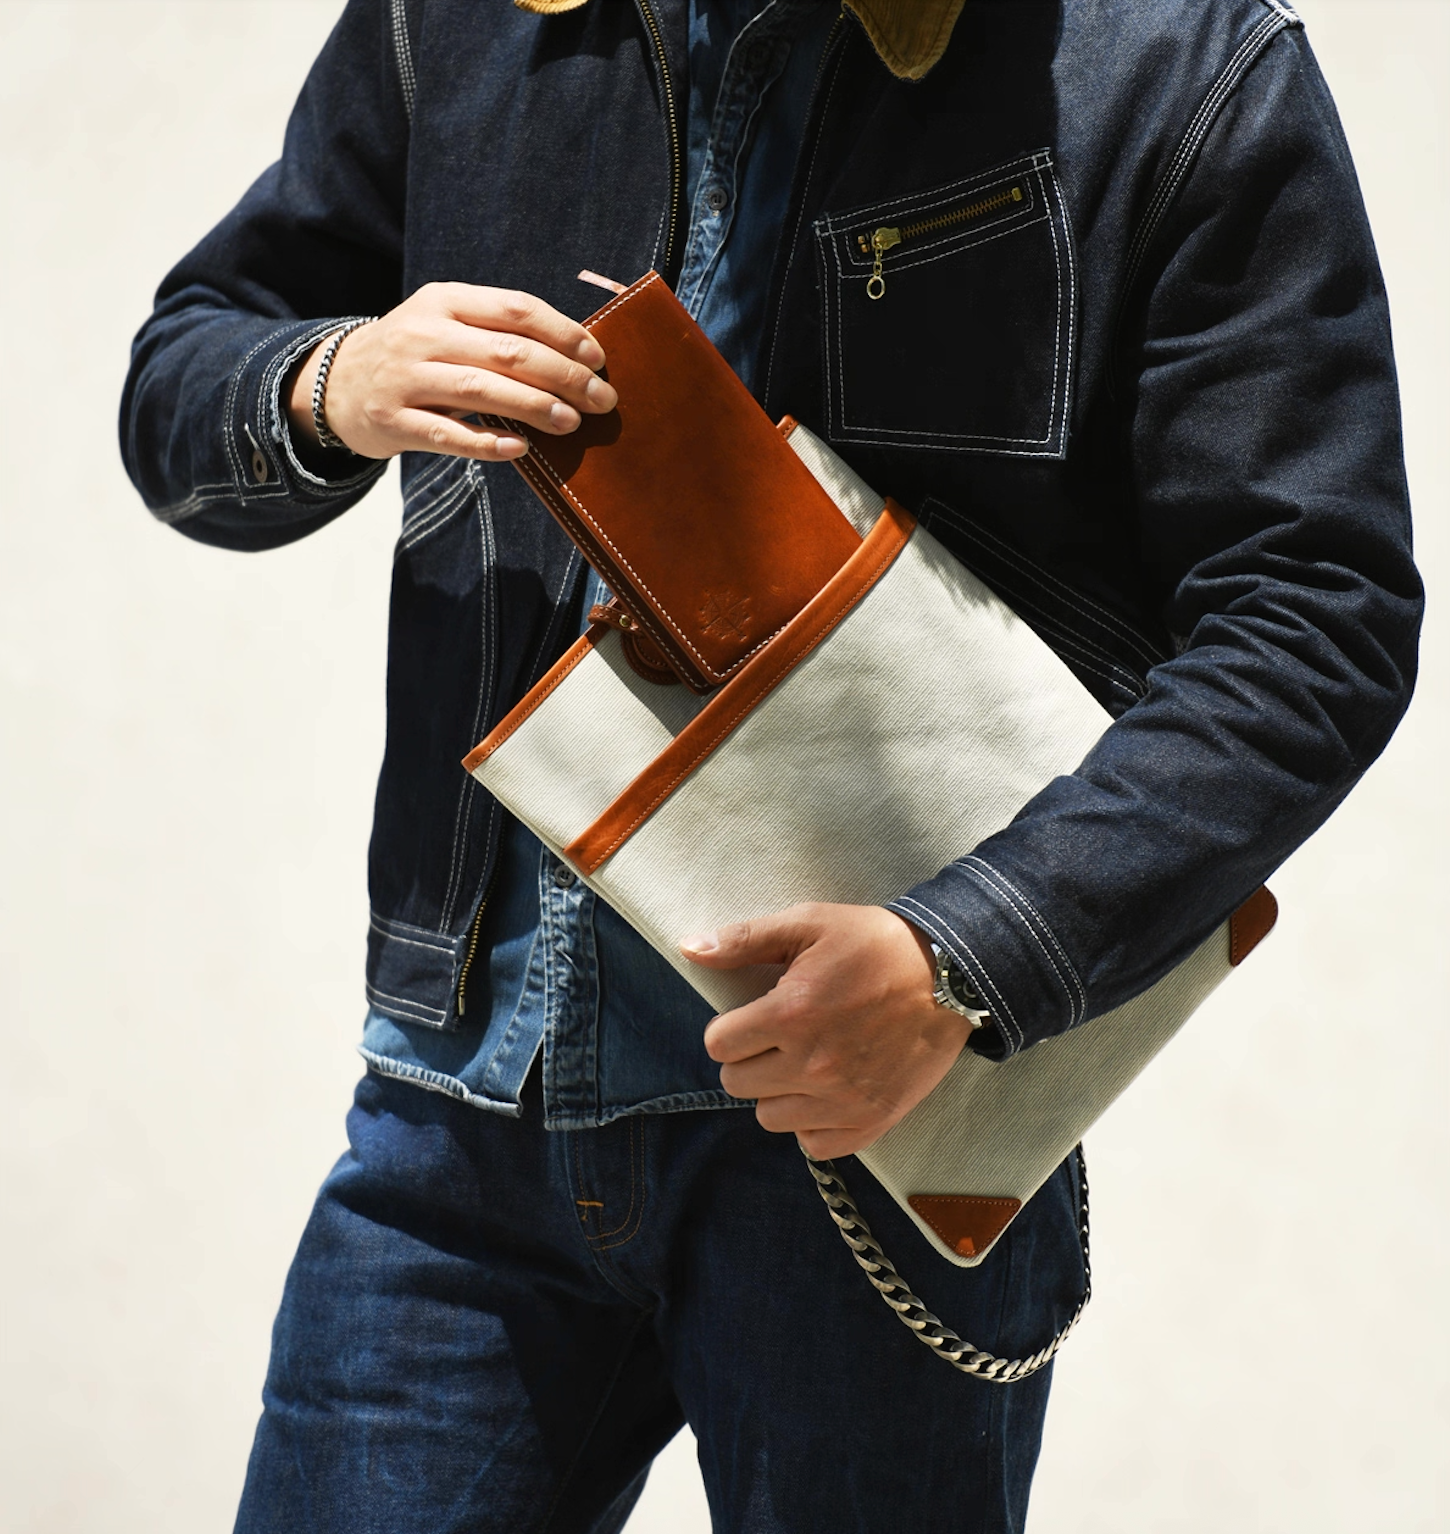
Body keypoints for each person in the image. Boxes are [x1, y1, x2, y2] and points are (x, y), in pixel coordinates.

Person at [119, 1, 1421, 1529]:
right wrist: (328, 380)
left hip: (871, 1118)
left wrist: (966, 954)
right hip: (464, 1112)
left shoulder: (1173, 58)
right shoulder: (457, 19)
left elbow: (1312, 615)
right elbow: (186, 370)